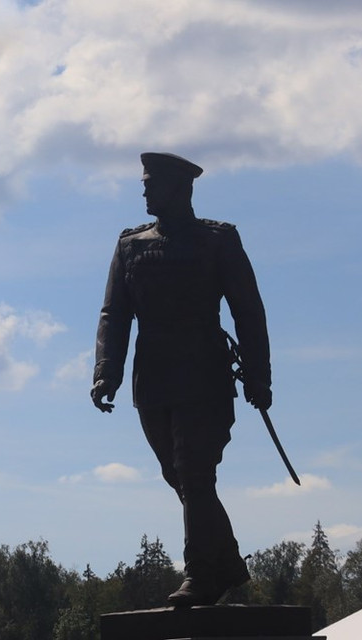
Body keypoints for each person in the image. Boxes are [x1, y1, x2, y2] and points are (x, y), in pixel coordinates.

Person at [90, 152, 272, 607]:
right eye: (144, 182)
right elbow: (115, 314)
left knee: (194, 473)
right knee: (181, 478)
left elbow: (248, 311)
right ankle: (227, 563)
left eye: (152, 182)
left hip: (204, 374)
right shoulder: (131, 245)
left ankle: (200, 575)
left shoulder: (218, 241)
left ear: (181, 188)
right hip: (151, 380)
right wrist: (105, 373)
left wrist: (258, 376)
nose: (145, 189)